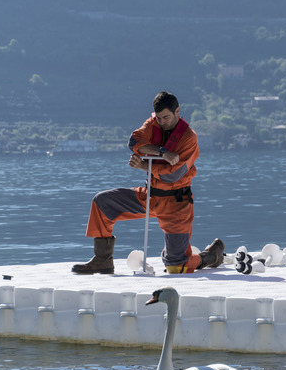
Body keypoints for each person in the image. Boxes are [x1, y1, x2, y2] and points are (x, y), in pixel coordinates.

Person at [72, 91, 225, 275]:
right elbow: (134, 141)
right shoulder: (152, 123)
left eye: (166, 117)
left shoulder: (189, 138)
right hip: (150, 196)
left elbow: (173, 175)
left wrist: (145, 165)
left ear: (177, 111)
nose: (161, 122)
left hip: (176, 204)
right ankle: (102, 261)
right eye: (159, 117)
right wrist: (162, 153)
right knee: (102, 202)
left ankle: (209, 256)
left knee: (177, 267)